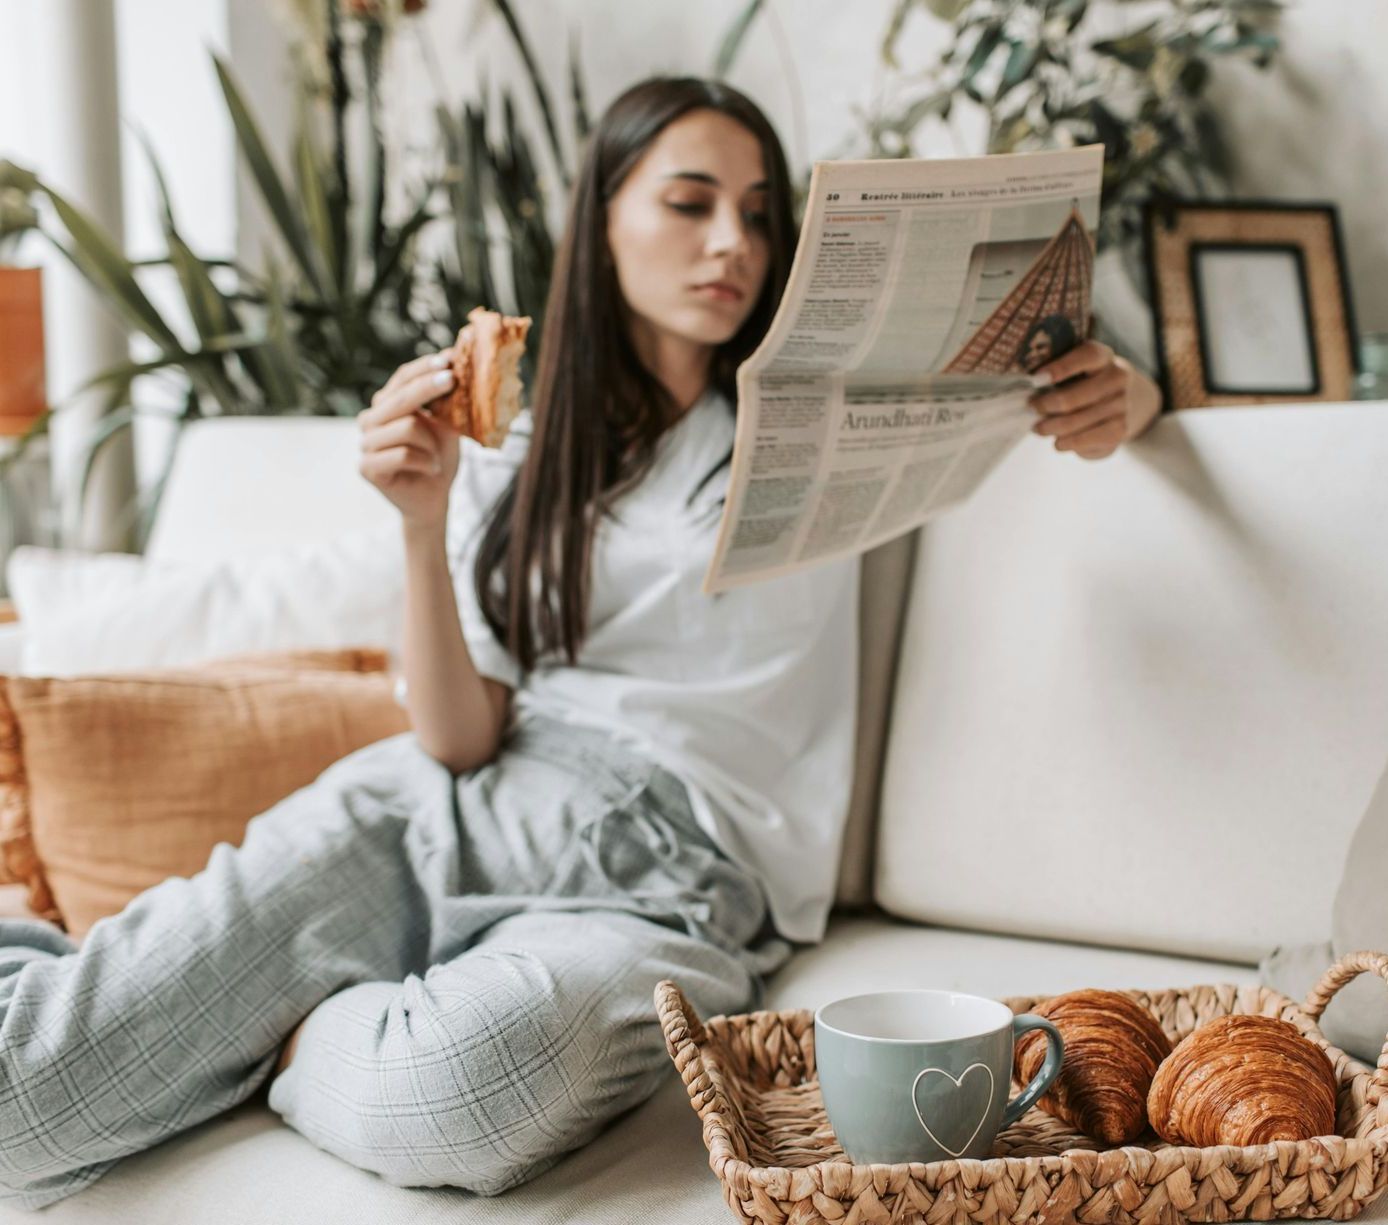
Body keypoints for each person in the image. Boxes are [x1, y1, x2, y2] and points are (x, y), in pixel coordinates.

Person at [0, 77, 1163, 1210]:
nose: (732, 244)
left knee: (469, 1089)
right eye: (688, 201)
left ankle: (281, 1029)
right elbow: (458, 740)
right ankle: (159, 996)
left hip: (672, 884)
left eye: (758, 215)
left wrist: (1130, 399)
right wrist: (420, 528)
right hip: (439, 807)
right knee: (20, 1108)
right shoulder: (519, 442)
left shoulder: (833, 416)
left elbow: (1095, 401)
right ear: (601, 214)